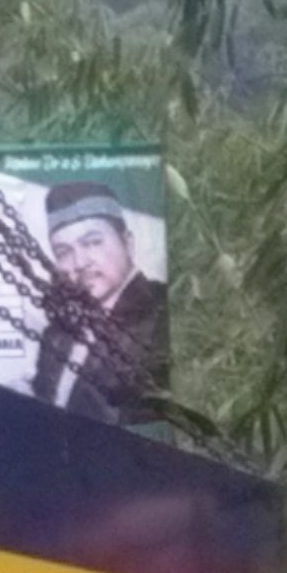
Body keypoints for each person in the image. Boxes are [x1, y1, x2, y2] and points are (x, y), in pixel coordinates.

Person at [32, 180, 171, 420]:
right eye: (64, 252)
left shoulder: (163, 315)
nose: (80, 263)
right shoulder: (56, 335)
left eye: (92, 242)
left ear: (127, 243)